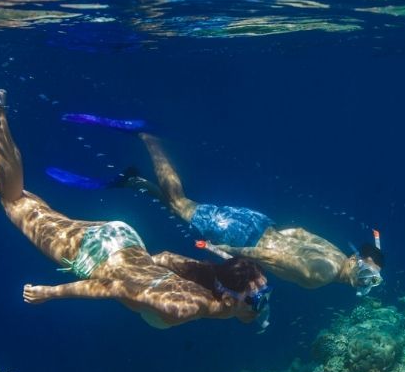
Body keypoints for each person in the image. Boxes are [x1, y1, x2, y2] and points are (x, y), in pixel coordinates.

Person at [0, 89, 272, 330]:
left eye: (263, 295)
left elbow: (166, 257)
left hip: (122, 240)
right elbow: (113, 287)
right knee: (13, 201)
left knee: (35, 209)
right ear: (231, 297)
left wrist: (141, 266)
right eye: (257, 298)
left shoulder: (212, 290)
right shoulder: (188, 306)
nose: (262, 303)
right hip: (96, 254)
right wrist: (53, 293)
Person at [47, 113, 385, 295]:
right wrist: (227, 248)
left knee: (188, 208)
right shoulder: (324, 273)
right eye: (368, 275)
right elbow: (272, 256)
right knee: (181, 204)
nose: (366, 281)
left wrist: (262, 239)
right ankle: (148, 137)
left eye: (372, 280)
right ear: (359, 262)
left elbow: (297, 230)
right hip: (245, 238)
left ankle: (137, 182)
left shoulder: (337, 254)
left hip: (260, 223)